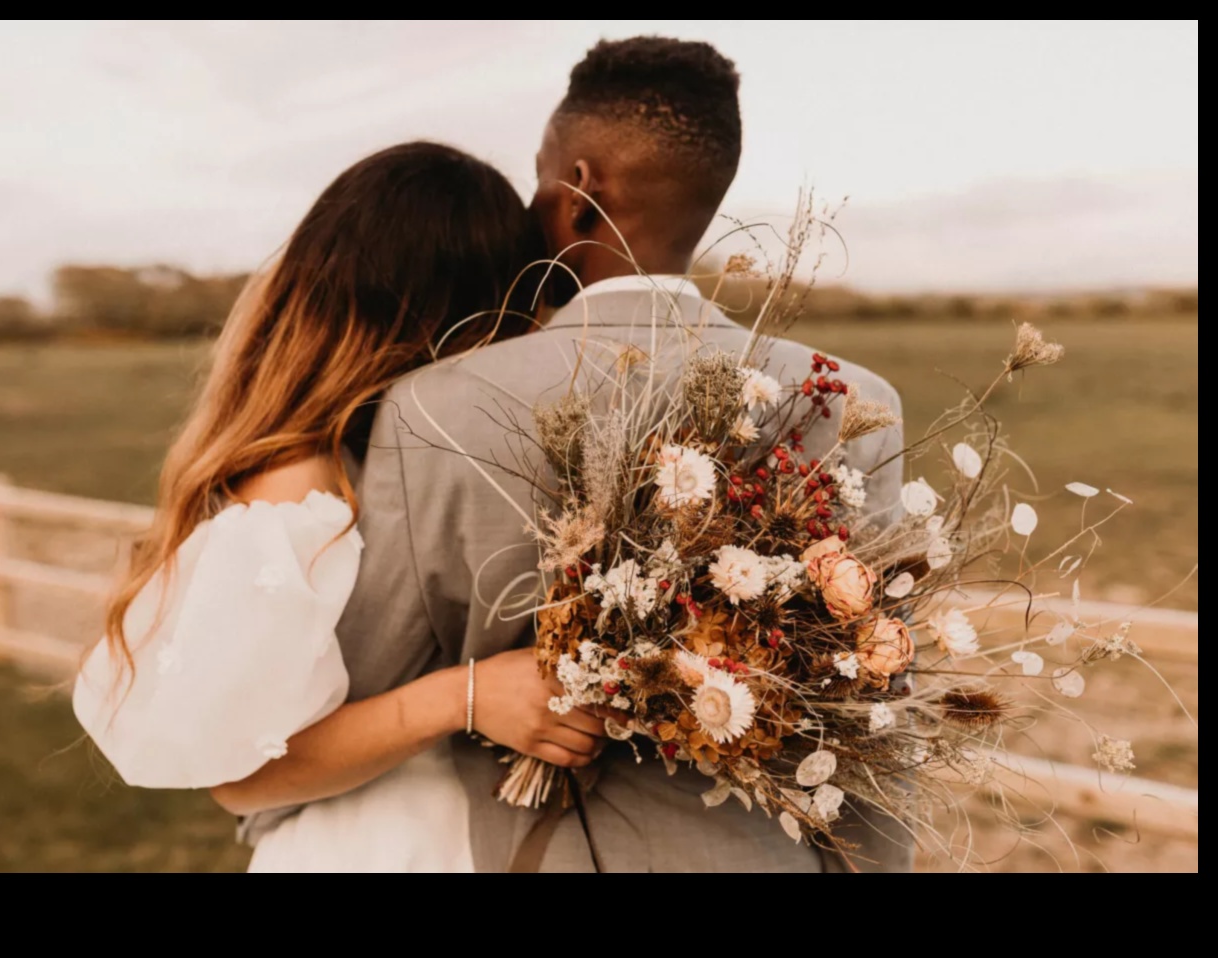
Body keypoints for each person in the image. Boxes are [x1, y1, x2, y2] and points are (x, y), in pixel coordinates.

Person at [217, 37, 913, 872]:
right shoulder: (847, 403)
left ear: (577, 194)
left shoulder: (433, 408)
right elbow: (873, 695)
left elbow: (358, 699)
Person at [72, 141, 614, 873]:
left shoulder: (414, 458)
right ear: (461, 314)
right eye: (517, 314)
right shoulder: (303, 486)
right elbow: (240, 778)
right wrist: (466, 695)